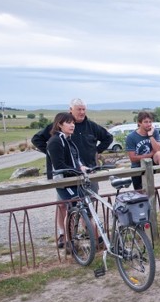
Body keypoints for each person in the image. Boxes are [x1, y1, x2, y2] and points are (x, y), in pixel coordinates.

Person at [32, 98, 113, 248]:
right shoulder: (58, 131)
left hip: (86, 172)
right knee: (65, 206)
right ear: (70, 110)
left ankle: (90, 235)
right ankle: (65, 237)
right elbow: (37, 139)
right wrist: (52, 153)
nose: (81, 112)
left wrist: (96, 150)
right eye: (78, 110)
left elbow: (108, 138)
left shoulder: (91, 127)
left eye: (84, 109)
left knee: (87, 203)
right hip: (65, 176)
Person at [46, 112, 86, 247]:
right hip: (63, 181)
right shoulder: (55, 141)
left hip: (73, 179)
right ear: (59, 124)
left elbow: (75, 160)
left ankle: (73, 239)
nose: (72, 125)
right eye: (69, 123)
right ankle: (69, 242)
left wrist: (82, 167)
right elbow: (59, 166)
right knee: (71, 208)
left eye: (73, 123)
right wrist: (77, 171)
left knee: (76, 208)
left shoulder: (68, 140)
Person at [126, 111, 160, 191]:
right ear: (139, 123)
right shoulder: (131, 137)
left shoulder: (154, 132)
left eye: (150, 122)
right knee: (140, 193)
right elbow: (133, 158)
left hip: (152, 162)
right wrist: (150, 154)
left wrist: (150, 136)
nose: (148, 124)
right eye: (145, 122)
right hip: (138, 166)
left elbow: (159, 149)